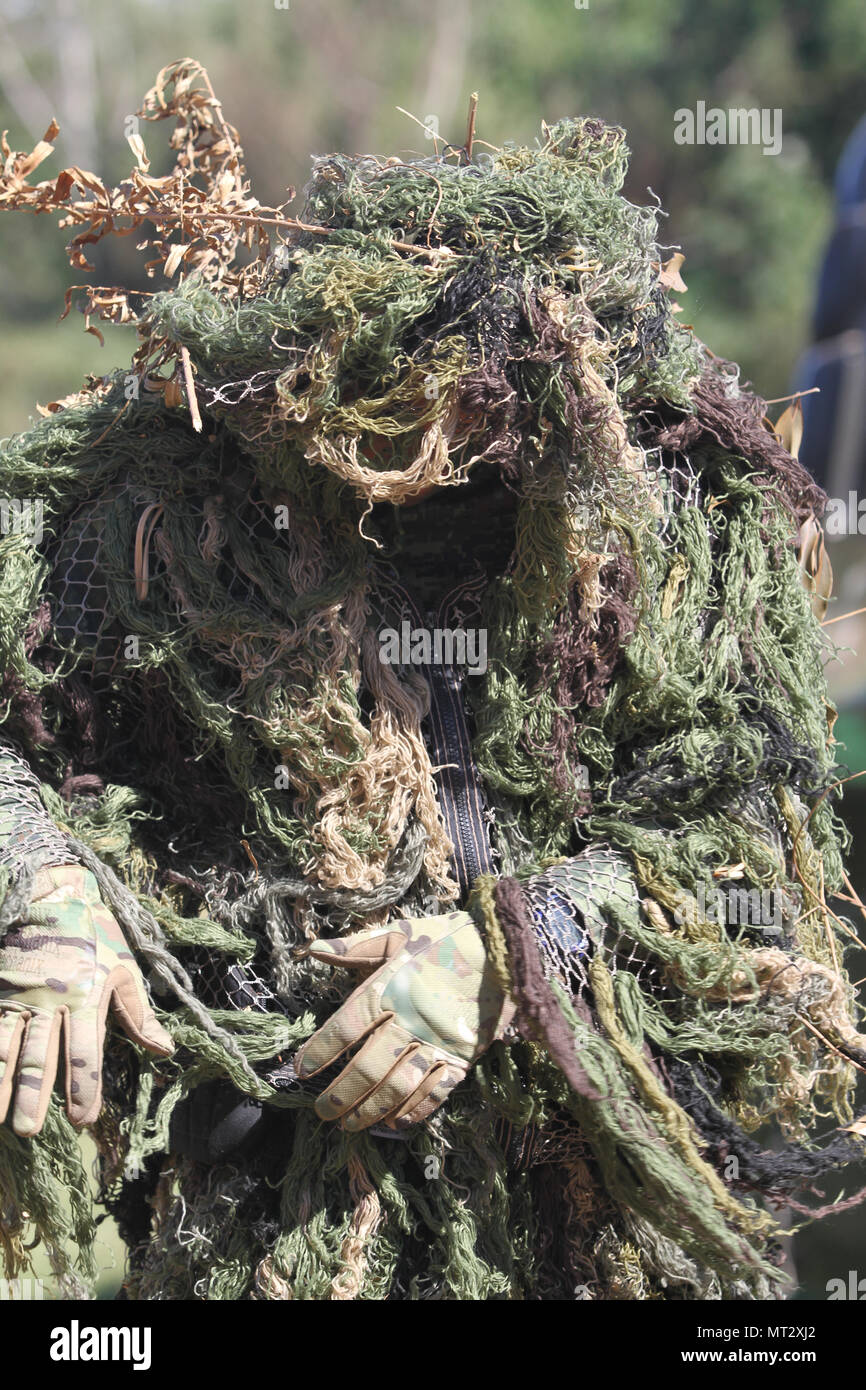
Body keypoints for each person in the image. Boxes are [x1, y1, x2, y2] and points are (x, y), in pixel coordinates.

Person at [0, 63, 863, 1301]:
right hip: (264, 1217)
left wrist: (518, 951)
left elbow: (750, 857)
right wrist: (43, 887)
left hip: (593, 1219)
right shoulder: (177, 518)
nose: (415, 474)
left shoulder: (668, 527)